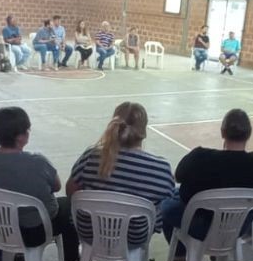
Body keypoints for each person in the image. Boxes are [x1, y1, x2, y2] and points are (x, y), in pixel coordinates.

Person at [0, 107, 79, 261]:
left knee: (15, 207)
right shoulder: (37, 162)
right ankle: (70, 259)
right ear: (22, 137)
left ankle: (19, 252)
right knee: (69, 205)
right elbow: (56, 186)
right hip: (33, 232)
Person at [159, 110, 253, 261]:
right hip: (237, 227)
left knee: (167, 204)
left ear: (222, 132)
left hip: (200, 226)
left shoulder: (200, 157)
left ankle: (180, 257)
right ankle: (219, 253)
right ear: (248, 134)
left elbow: (178, 176)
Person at [67, 102, 175, 247]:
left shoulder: (91, 156)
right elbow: (165, 204)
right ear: (143, 132)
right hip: (134, 239)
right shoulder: (161, 169)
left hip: (90, 233)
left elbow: (71, 191)